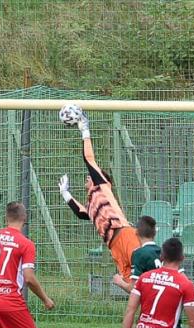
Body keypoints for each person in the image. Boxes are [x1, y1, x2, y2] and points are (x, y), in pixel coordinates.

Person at [58, 108, 140, 284]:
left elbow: (89, 159)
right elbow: (81, 213)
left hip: (125, 234)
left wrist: (84, 130)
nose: (88, 177)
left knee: (143, 279)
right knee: (131, 286)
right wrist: (65, 193)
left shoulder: (103, 186)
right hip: (114, 246)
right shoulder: (92, 203)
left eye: (92, 176)